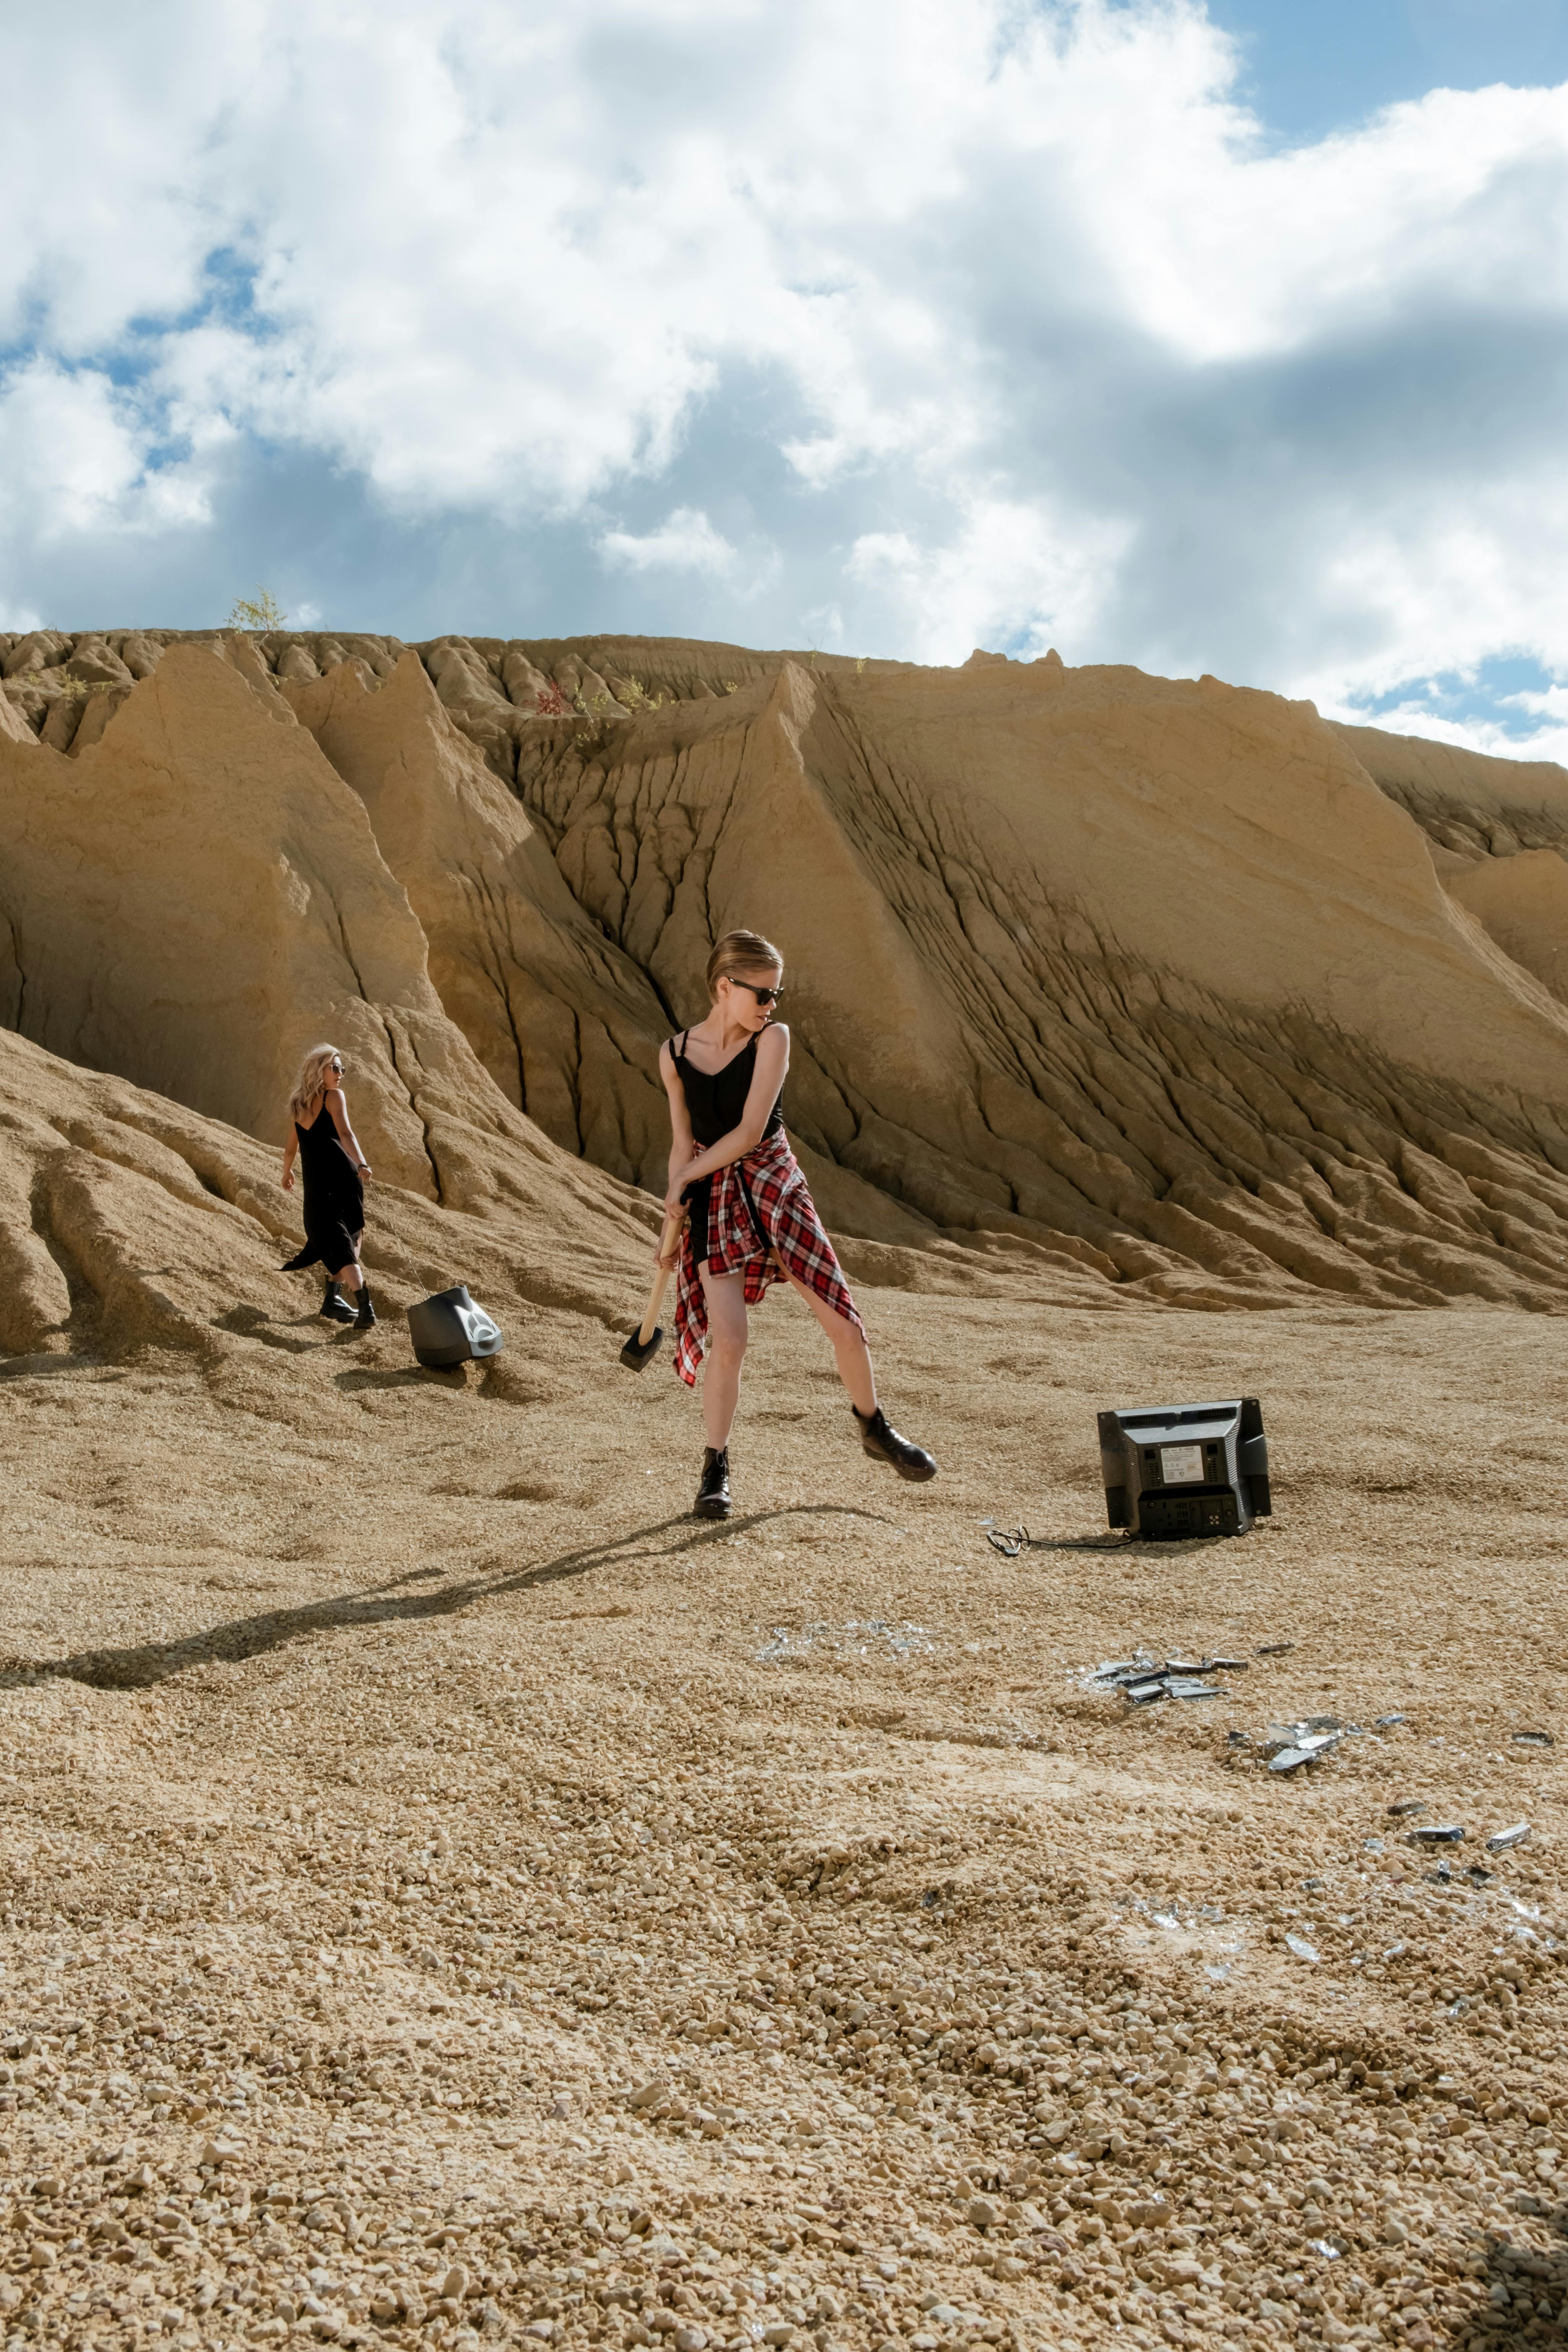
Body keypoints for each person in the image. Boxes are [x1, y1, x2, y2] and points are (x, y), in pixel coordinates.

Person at [658, 928, 936, 1519]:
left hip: (775, 1186)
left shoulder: (773, 1040)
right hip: (713, 1197)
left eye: (777, 994)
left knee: (844, 1322)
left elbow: (751, 1133)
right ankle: (715, 1468)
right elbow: (683, 1142)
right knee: (729, 1340)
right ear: (724, 987)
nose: (771, 1006)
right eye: (761, 994)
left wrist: (689, 1177)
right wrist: (672, 1212)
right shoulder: (675, 1053)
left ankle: (874, 1427)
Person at [280, 1045, 377, 1328]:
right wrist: (361, 1163)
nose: (340, 1074)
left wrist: (287, 1173)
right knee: (346, 1238)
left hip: (323, 1184)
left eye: (342, 1069)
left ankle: (337, 1299)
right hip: (342, 1178)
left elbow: (290, 1150)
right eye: (334, 1068)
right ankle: (363, 1306)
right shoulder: (332, 1097)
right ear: (318, 1069)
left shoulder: (299, 1105)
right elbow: (346, 1133)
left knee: (348, 1236)